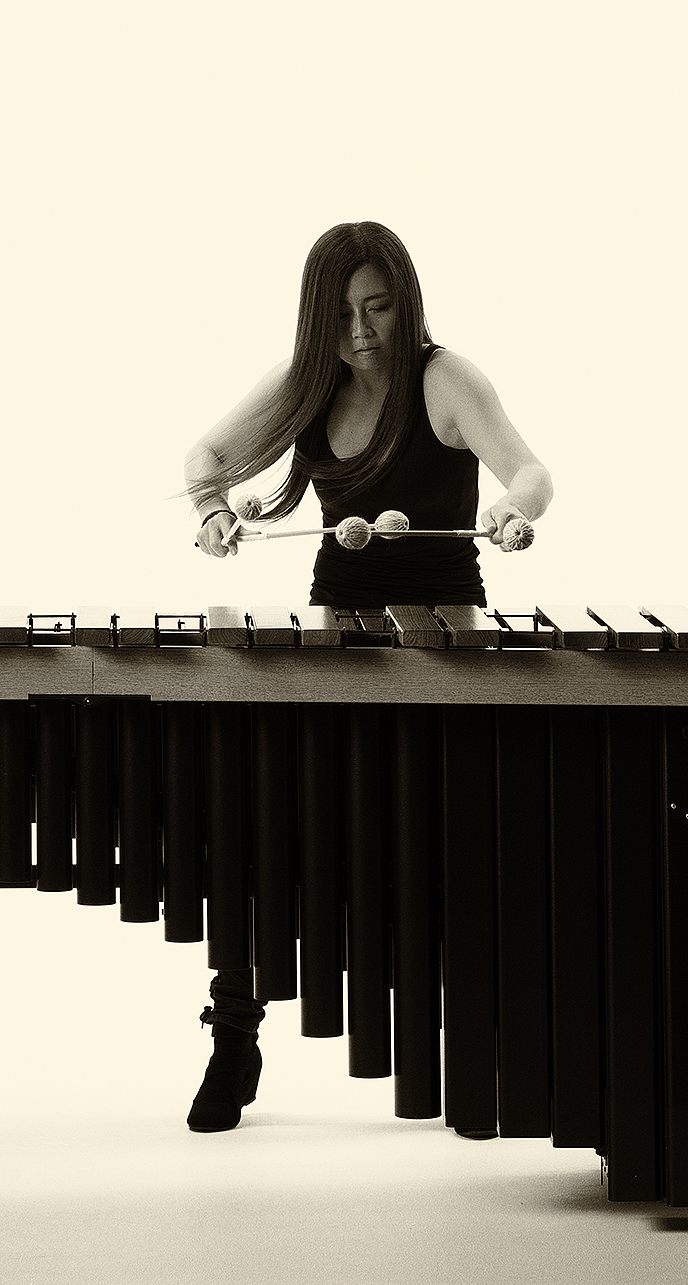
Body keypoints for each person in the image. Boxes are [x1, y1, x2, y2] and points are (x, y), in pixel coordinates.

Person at [179, 221, 554, 1132]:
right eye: (343, 313)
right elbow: (206, 457)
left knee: (456, 840)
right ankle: (236, 1032)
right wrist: (213, 509)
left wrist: (512, 508)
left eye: (378, 308)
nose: (361, 331)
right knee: (271, 826)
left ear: (404, 304)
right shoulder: (309, 384)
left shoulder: (445, 381)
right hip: (336, 631)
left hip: (445, 638)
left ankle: (493, 1038)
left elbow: (531, 470)